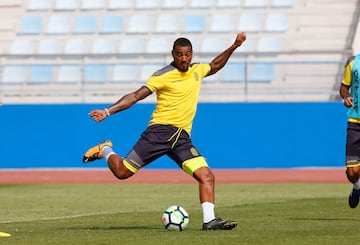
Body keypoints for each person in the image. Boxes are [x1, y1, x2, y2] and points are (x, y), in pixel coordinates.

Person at [82, 33, 247, 230]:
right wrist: (108, 111)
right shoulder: (162, 75)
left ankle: (209, 221)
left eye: (187, 54)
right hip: (159, 133)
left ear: (192, 54)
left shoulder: (197, 71)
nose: (184, 59)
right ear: (173, 54)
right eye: (179, 55)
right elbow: (136, 96)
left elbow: (216, 65)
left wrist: (234, 46)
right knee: (122, 172)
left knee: (207, 176)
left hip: (182, 138)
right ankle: (105, 149)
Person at [339, 53, 360, 208]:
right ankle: (357, 187)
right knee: (352, 173)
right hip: (355, 123)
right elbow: (344, 87)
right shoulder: (353, 62)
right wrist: (346, 97)